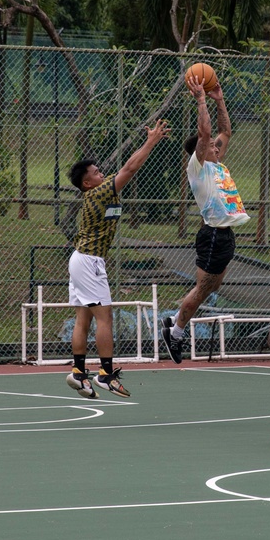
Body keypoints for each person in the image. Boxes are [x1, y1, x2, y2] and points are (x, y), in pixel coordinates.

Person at [65, 120, 171, 399]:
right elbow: (130, 168)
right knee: (105, 318)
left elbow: (125, 170)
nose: (102, 173)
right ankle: (105, 374)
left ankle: (78, 373)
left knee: (83, 319)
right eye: (96, 172)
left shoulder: (98, 191)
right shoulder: (99, 192)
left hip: (80, 259)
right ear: (87, 183)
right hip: (89, 261)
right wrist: (152, 140)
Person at [162, 72, 251, 364]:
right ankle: (175, 332)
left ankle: (173, 320)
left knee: (213, 286)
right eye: (212, 144)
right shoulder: (198, 168)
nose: (217, 144)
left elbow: (226, 130)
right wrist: (201, 100)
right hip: (213, 234)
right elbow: (205, 133)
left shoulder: (217, 164)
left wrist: (219, 99)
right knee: (202, 290)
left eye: (216, 144)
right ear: (200, 152)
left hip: (224, 234)